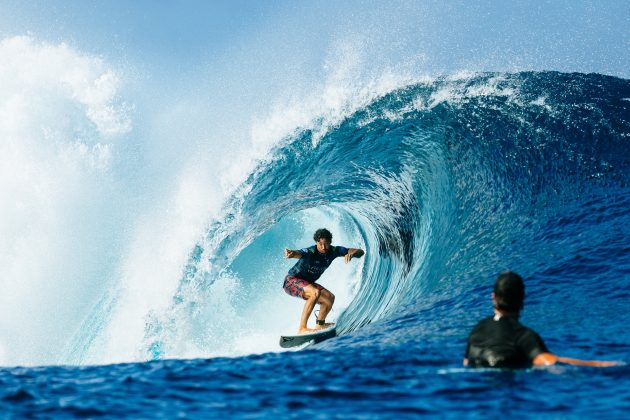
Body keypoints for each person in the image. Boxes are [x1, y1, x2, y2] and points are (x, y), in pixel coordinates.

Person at [464, 271, 619, 368]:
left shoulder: (476, 330)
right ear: (522, 299)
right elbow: (548, 362)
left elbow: (466, 363)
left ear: (493, 297)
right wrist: (598, 364)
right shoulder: (523, 336)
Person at [284, 228, 364, 334]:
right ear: (316, 242)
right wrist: (292, 253)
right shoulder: (311, 251)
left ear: (330, 242)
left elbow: (360, 252)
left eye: (326, 244)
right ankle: (302, 328)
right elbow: (299, 253)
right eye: (320, 244)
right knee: (315, 292)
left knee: (329, 298)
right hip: (291, 281)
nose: (323, 247)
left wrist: (352, 254)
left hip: (308, 283)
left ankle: (320, 325)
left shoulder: (334, 251)